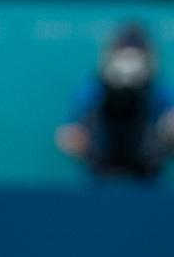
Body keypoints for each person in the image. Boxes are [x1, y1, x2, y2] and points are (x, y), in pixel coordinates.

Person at [57, 23, 172, 181]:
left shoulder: (158, 90)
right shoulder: (93, 88)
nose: (129, 63)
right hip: (101, 170)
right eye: (124, 55)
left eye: (136, 56)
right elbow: (68, 132)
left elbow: (169, 119)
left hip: (147, 170)